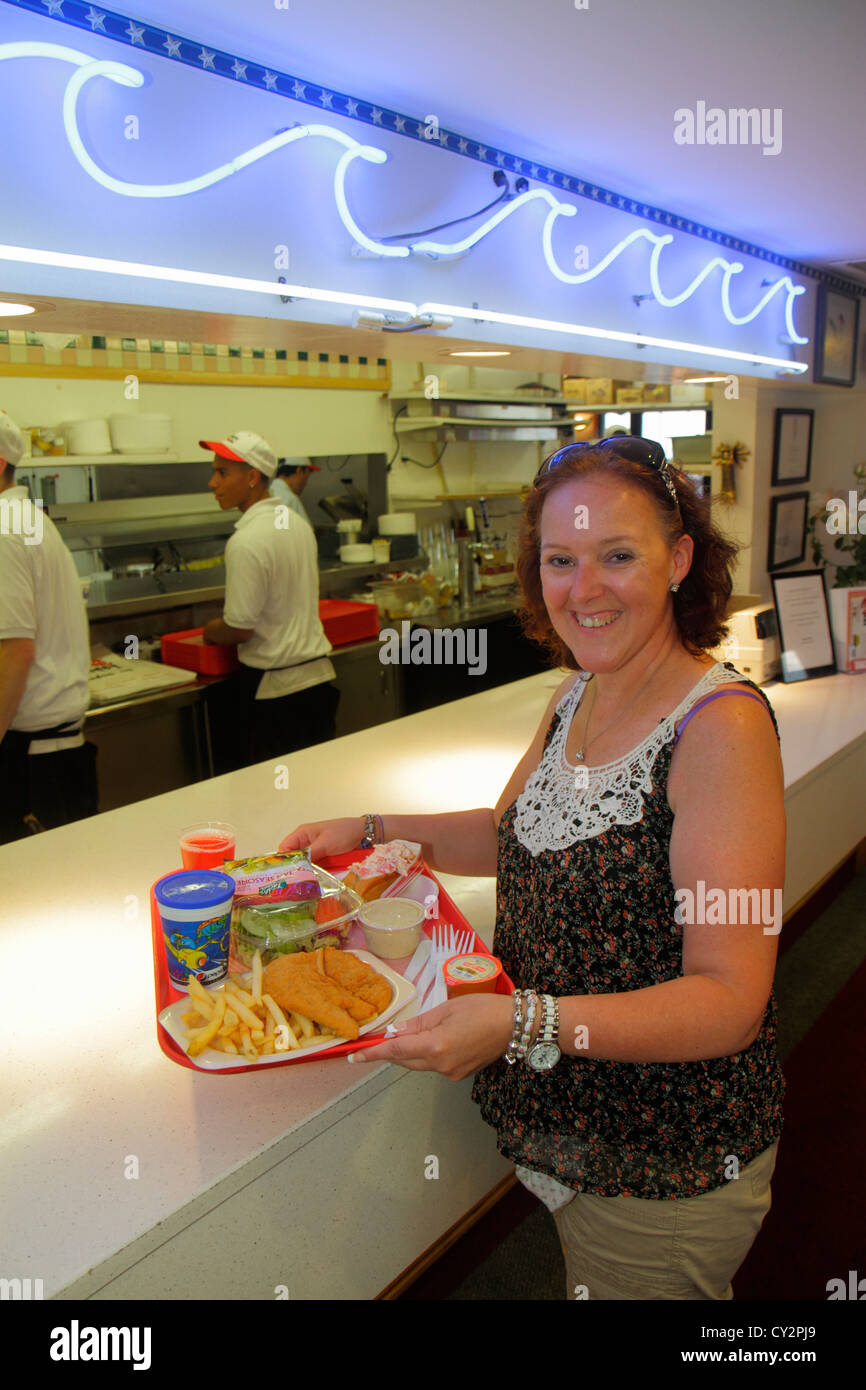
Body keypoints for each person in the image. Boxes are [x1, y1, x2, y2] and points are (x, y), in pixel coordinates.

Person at [278, 436, 786, 1301]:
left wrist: (519, 1022)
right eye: (560, 560)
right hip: (573, 1126)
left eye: (617, 556)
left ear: (678, 560)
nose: (583, 590)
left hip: (661, 1156)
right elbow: (510, 835)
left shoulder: (719, 729)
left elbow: (729, 1001)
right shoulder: (577, 692)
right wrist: (370, 829)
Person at [200, 430, 338, 765]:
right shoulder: (296, 524)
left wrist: (210, 631)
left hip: (277, 694)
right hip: (318, 682)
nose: (212, 483)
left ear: (251, 478)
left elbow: (240, 628)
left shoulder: (246, 541)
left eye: (222, 472)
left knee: (277, 792)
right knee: (318, 783)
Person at [0, 410, 96, 842]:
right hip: (52, 756)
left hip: (33, 761)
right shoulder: (28, 519)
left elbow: (16, 651)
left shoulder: (5, 530)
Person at [269, 457, 320, 526]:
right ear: (299, 471)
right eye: (306, 477)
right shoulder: (291, 500)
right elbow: (304, 531)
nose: (305, 483)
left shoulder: (268, 492)